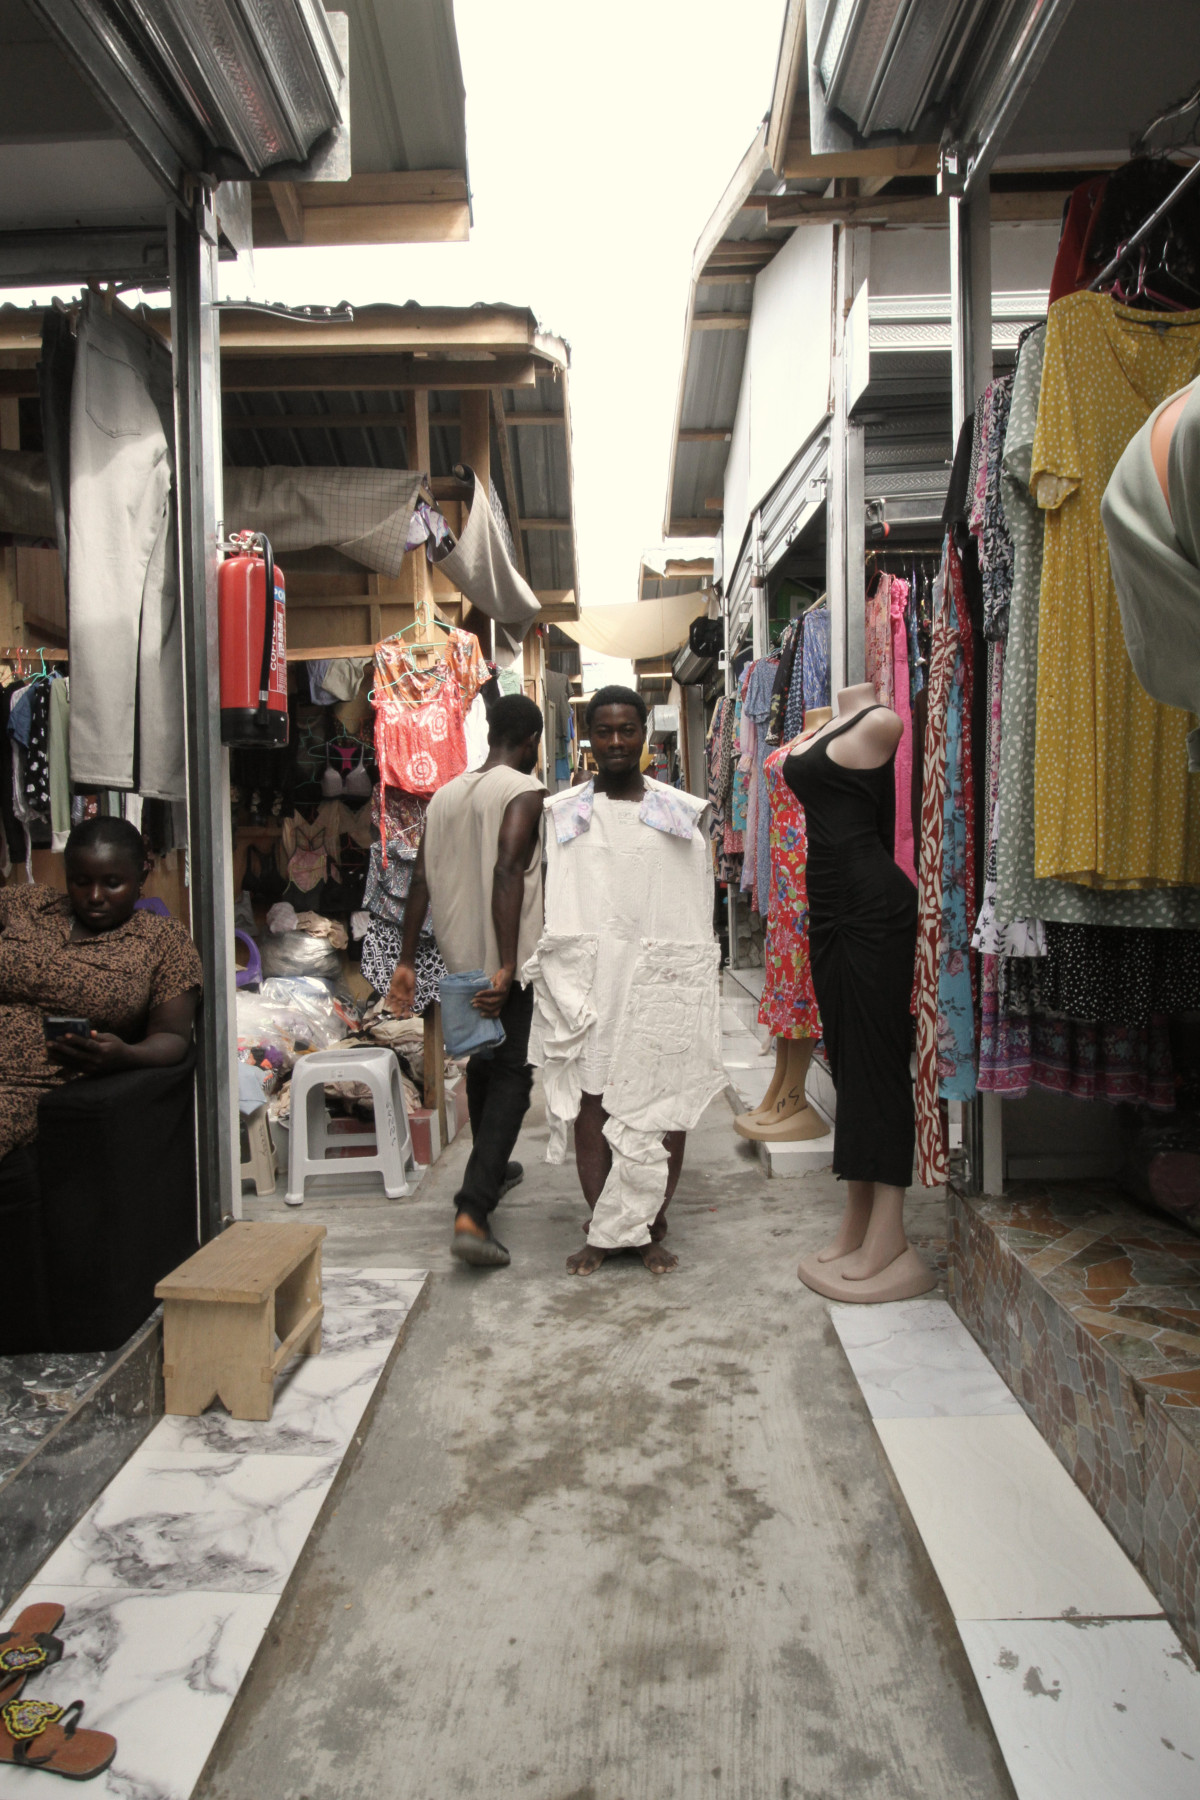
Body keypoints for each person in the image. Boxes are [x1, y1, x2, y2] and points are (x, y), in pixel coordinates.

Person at [523, 686, 724, 1276]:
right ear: (588, 736)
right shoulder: (563, 815)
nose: (616, 742)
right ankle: (606, 1230)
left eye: (627, 730)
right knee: (591, 1099)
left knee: (664, 1100)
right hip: (589, 984)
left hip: (662, 982)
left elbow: (692, 905)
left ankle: (648, 1226)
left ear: (643, 734)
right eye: (604, 731)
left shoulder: (682, 813)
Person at [388, 694, 546, 1269]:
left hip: (460, 961)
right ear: (531, 741)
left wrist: (407, 958)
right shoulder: (523, 793)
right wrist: (507, 963)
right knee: (510, 1074)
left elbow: (422, 879)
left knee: (483, 1063)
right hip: (506, 965)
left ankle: (493, 1167)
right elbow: (509, 869)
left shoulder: (446, 795)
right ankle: (473, 1212)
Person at [0, 816, 203, 1196]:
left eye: (112, 883)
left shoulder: (162, 941)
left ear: (140, 877)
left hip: (31, 1086)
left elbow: (173, 1036)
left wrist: (125, 1054)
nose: (94, 896)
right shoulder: (28, 904)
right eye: (80, 881)